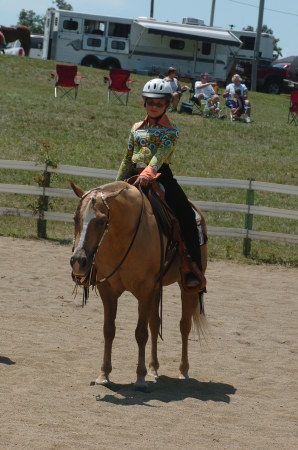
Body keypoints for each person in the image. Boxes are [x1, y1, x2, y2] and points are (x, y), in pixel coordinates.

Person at [116, 78, 206, 290]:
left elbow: (161, 155)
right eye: (150, 102)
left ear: (167, 104)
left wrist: (148, 173)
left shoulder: (171, 131)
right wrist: (118, 182)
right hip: (133, 172)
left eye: (159, 103)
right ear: (144, 103)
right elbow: (128, 157)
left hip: (160, 175)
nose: (154, 106)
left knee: (187, 215)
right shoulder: (136, 128)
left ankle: (192, 266)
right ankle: (96, 261)